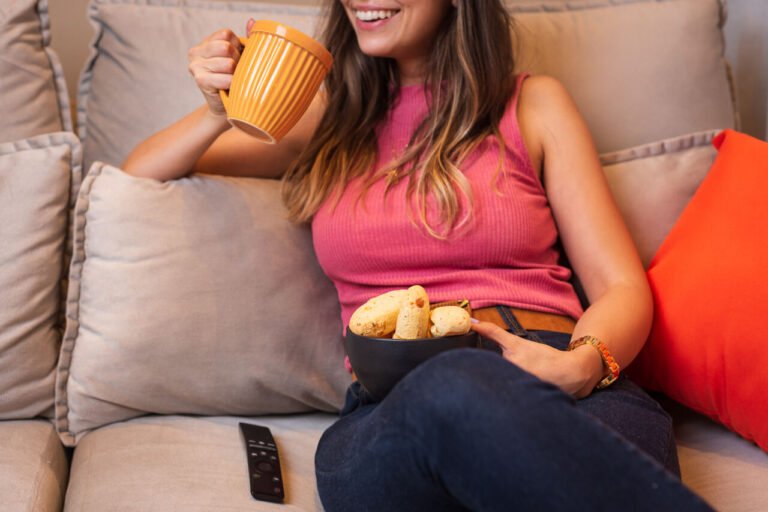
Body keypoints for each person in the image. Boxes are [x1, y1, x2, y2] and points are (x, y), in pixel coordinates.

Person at [123, 1, 715, 510]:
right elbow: (139, 173)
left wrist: (582, 366)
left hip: (561, 384)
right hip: (394, 412)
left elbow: (621, 287)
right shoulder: (325, 121)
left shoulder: (532, 104)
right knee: (450, 386)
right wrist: (216, 111)